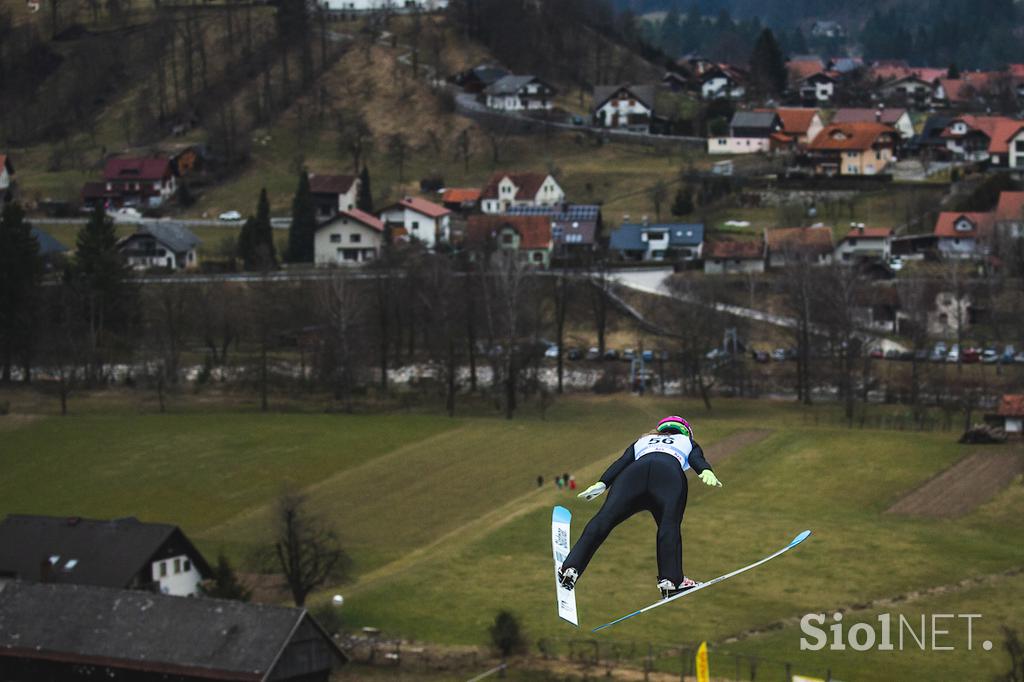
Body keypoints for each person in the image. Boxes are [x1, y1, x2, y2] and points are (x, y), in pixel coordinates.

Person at [557, 415, 722, 599]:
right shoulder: (687, 442)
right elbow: (696, 458)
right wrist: (705, 470)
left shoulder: (642, 440)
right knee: (669, 525)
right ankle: (671, 581)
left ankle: (571, 567)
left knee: (604, 518)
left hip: (632, 476)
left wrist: (602, 483)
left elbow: (621, 462)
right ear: (686, 431)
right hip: (667, 475)